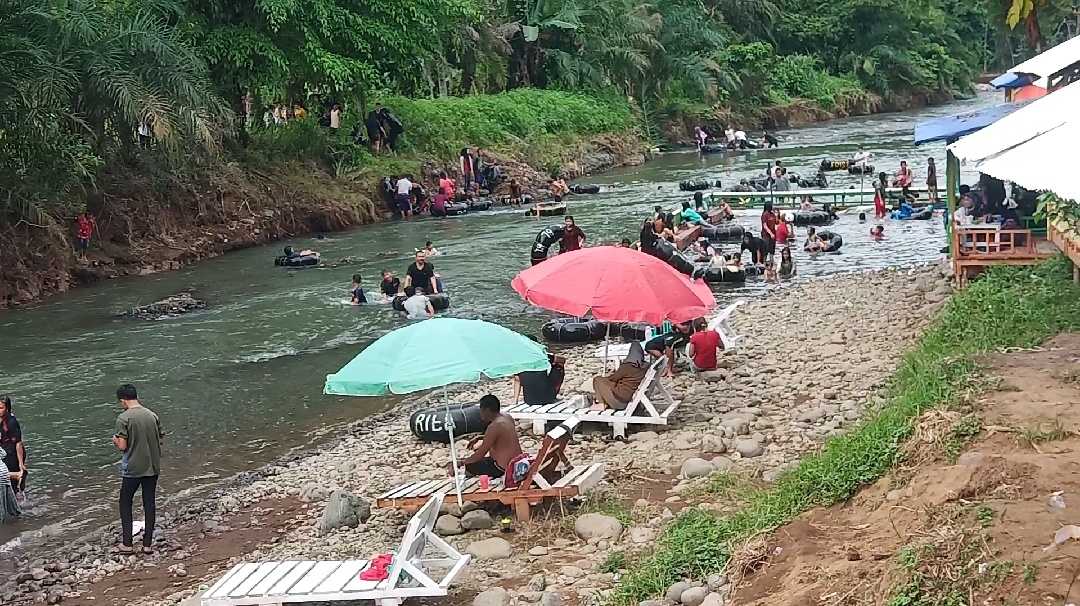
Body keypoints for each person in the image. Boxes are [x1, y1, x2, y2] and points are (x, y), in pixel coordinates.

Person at [113, 384, 163, 554]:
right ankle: (147, 544)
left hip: (133, 467)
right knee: (149, 503)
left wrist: (115, 440)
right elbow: (160, 440)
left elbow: (122, 446)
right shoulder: (152, 415)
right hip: (152, 466)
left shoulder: (124, 418)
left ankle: (127, 543)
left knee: (125, 502)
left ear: (123, 401)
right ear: (136, 396)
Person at [454, 395, 522, 478]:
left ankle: (470, 484)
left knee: (470, 465)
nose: (480, 413)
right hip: (517, 462)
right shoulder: (507, 417)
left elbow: (480, 454)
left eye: (481, 410)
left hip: (502, 468)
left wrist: (462, 462)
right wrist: (481, 437)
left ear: (487, 410)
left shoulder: (494, 426)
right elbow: (504, 437)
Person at [591, 341, 650, 411]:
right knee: (608, 383)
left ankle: (601, 403)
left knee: (598, 380)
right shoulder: (645, 367)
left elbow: (613, 378)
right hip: (629, 396)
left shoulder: (627, 366)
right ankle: (604, 402)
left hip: (620, 401)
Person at [512, 336, 565, 406]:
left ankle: (517, 400)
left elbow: (517, 380)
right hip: (548, 398)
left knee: (520, 376)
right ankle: (554, 392)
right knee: (559, 365)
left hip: (529, 400)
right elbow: (563, 360)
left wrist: (515, 402)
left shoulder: (519, 360)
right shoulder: (542, 356)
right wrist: (551, 356)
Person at [0, 395, 26, 496]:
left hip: (13, 453)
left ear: (7, 408)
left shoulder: (11, 422)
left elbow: (18, 443)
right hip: (3, 450)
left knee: (11, 484)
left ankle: (15, 499)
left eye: (1, 408)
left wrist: (20, 463)